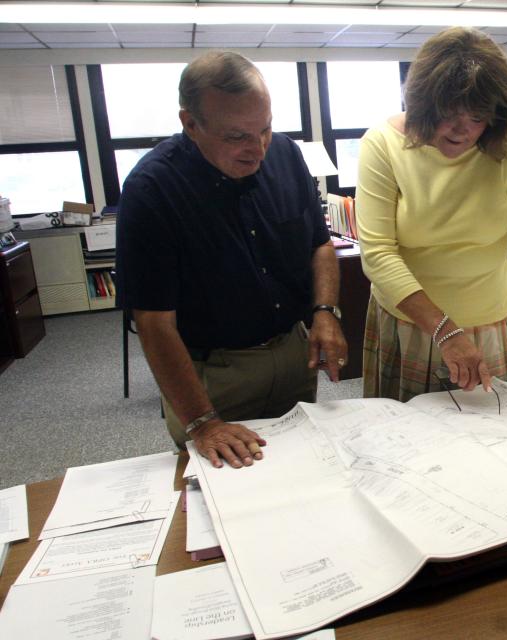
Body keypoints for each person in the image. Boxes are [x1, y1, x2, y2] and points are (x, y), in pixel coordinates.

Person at [117, 51, 347, 469]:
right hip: (215, 376)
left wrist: (325, 312)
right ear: (191, 124)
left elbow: (319, 243)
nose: (257, 149)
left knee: (307, 474)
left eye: (265, 128)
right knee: (227, 496)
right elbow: (154, 324)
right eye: (236, 136)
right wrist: (203, 423)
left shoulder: (286, 155)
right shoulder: (152, 190)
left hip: (293, 355)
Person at [356, 27, 507, 402]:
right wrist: (445, 330)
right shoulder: (382, 144)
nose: (461, 131)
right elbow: (379, 254)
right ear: (422, 104)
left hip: (490, 323)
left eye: (478, 117)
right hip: (410, 324)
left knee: (496, 441)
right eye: (448, 114)